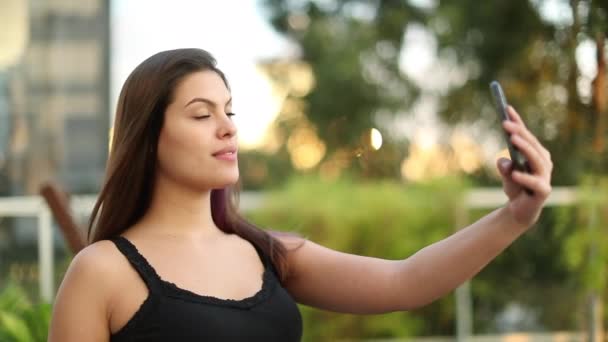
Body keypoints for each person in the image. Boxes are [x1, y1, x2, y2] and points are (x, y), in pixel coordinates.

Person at [48, 48, 553, 341]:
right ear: (148, 138)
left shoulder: (269, 254)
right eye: (202, 115)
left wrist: (515, 216)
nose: (227, 128)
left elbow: (406, 281)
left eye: (230, 111)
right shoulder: (102, 272)